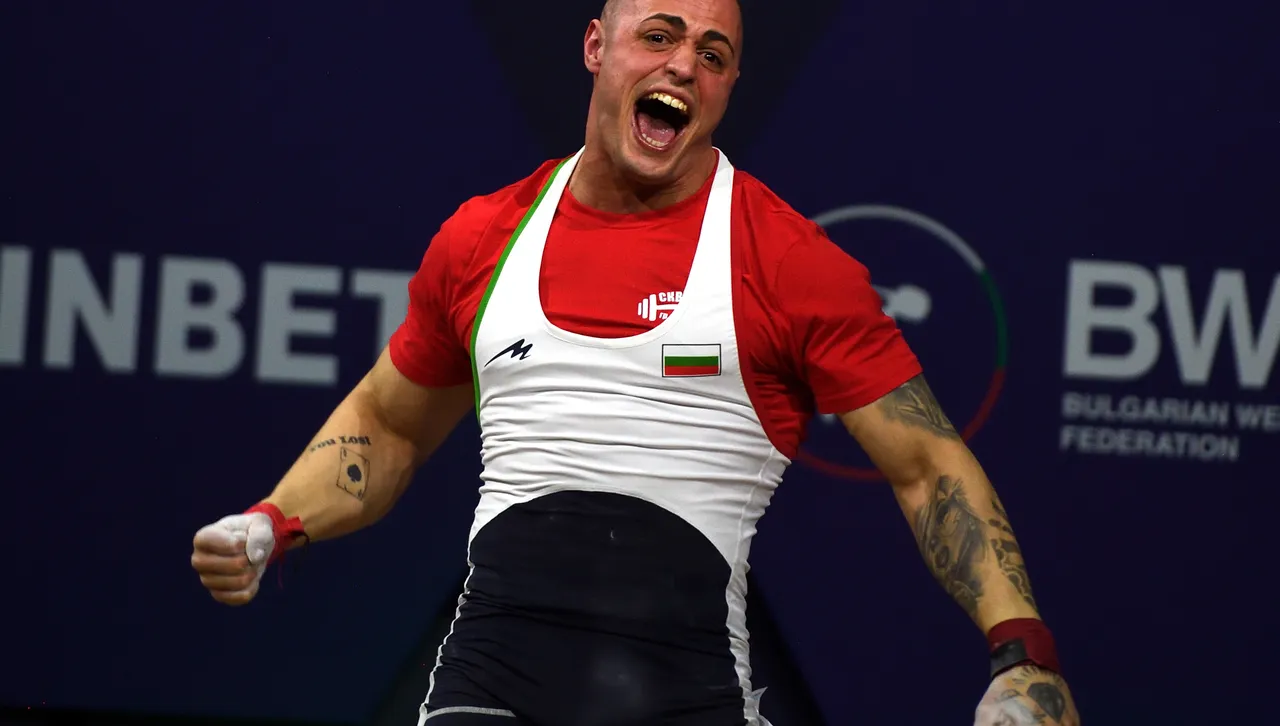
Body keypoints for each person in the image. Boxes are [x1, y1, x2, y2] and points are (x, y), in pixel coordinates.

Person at [190, 1, 1081, 724]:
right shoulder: (483, 238)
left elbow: (929, 465)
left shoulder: (789, 264)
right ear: (596, 47)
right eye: (659, 36)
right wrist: (271, 522)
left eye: (713, 54)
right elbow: (387, 425)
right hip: (485, 694)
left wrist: (1023, 656)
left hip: (691, 702)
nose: (684, 64)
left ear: (729, 86)